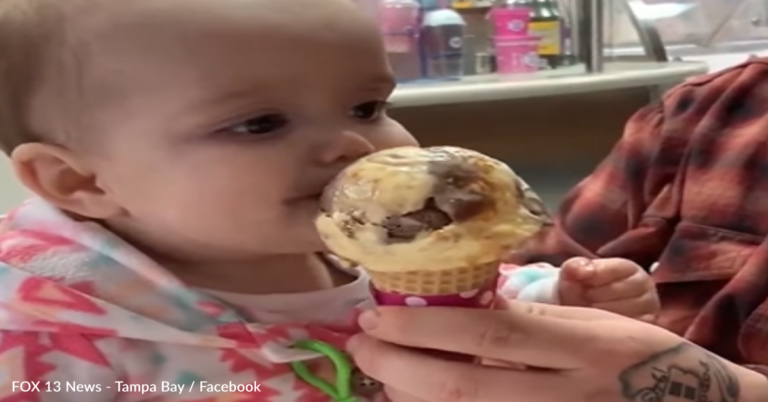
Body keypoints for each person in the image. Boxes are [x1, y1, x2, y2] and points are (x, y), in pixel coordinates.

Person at [0, 0, 658, 400]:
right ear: (79, 183)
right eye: (260, 123)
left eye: (367, 106)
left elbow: (462, 310)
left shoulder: (368, 255)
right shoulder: (43, 341)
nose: (350, 144)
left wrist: (559, 301)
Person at [345, 60, 768, 401]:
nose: (347, 144)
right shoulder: (710, 110)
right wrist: (572, 293)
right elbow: (550, 265)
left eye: (366, 110)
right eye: (273, 122)